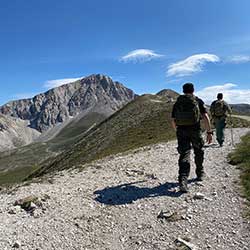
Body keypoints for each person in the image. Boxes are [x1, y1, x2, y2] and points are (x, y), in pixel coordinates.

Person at [171, 83, 213, 193]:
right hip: (195, 130)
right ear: (193, 90)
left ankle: (183, 180)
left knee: (184, 154)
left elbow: (173, 120)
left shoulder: (178, 102)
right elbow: (205, 116)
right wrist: (209, 132)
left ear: (183, 90)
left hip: (181, 131)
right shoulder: (197, 100)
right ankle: (200, 173)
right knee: (199, 151)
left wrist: (177, 131)